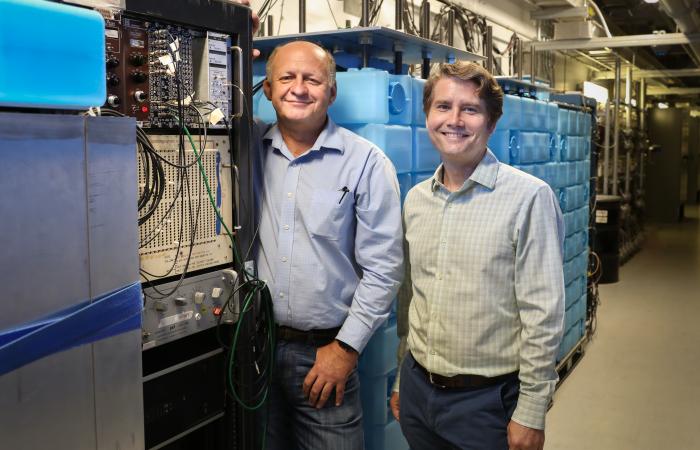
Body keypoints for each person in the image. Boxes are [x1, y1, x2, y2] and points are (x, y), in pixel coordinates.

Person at [389, 61, 565, 450]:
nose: (454, 120)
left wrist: (531, 411)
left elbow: (543, 314)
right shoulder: (416, 200)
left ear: (491, 122)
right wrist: (404, 377)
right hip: (419, 391)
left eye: (470, 109)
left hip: (488, 404)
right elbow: (411, 298)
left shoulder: (528, 198)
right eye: (443, 106)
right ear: (427, 116)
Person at [254, 40, 404, 450]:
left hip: (323, 355)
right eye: (286, 77)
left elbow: (384, 269)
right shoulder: (247, 150)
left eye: (312, 79)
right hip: (253, 349)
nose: (298, 88)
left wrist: (345, 348)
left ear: (331, 92)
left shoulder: (367, 164)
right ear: (267, 89)